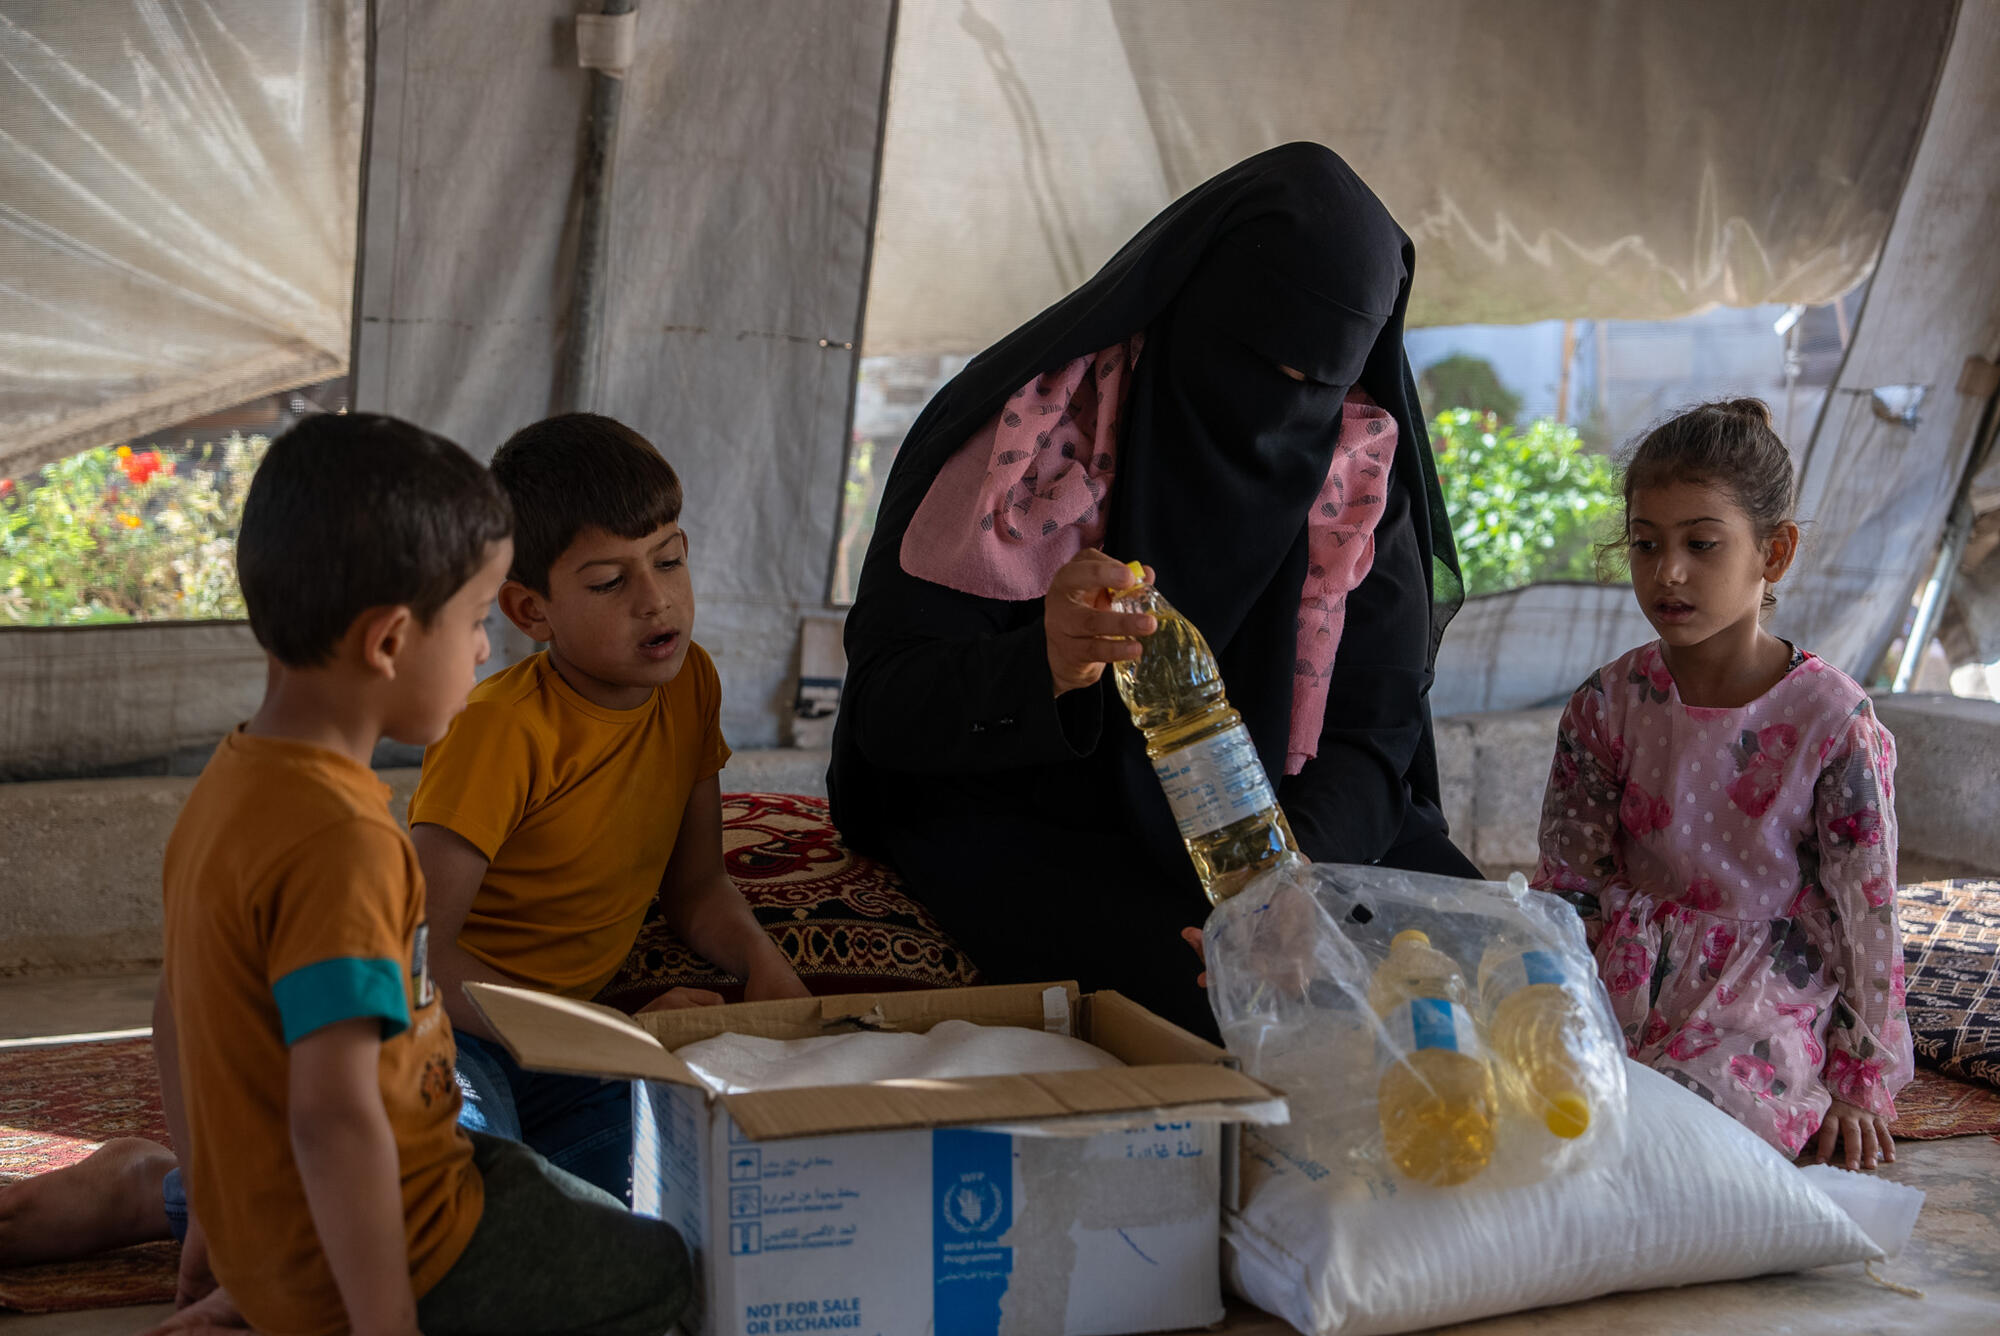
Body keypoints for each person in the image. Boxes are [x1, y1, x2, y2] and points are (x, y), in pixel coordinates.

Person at [13, 413, 692, 1334]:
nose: (484, 650)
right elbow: (336, 1118)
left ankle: (223, 1257)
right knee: (670, 1270)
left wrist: (214, 1206)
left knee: (573, 1169)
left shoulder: (231, 782)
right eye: (471, 622)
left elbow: (177, 1011)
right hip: (405, 1238)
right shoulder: (348, 843)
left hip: (327, 1208)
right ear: (388, 643)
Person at [830, 143, 1472, 1038]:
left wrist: (1291, 879)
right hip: (1048, 815)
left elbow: (1372, 734)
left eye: (1316, 385)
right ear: (1189, 305)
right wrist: (1045, 666)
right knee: (1239, 1013)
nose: (1277, 410)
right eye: (1257, 363)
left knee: (1502, 971)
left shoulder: (1356, 477)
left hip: (1292, 832)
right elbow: (888, 709)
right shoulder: (1034, 439)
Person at [410, 412, 811, 1202]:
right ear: (531, 612)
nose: (656, 601)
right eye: (608, 583)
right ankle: (195, 1194)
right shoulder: (500, 730)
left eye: (669, 560)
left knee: (696, 1172)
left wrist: (766, 967)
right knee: (456, 1180)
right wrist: (598, 1035)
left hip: (572, 1057)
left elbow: (697, 890)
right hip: (455, 1035)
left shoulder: (691, 684)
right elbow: (410, 958)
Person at [1531, 398, 1913, 1170]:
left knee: (1697, 1136)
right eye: (1646, 544)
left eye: (1701, 544)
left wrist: (1860, 1082)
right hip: (1624, 973)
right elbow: (1567, 885)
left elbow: (1866, 914)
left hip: (1764, 990)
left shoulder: (1831, 721)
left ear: (1774, 553)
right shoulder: (1607, 703)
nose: (1667, 572)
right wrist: (1544, 1002)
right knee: (1543, 1107)